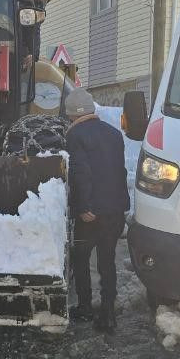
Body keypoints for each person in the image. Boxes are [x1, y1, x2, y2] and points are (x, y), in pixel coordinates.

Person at [65, 88, 129, 332]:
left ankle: (84, 307)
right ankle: (109, 312)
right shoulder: (113, 134)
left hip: (90, 213)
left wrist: (83, 206)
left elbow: (82, 173)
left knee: (80, 258)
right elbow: (119, 172)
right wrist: (123, 205)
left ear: (72, 114)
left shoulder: (75, 136)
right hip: (114, 210)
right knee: (107, 261)